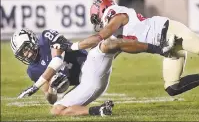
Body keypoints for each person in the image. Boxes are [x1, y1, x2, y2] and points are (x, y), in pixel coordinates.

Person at [55, 0, 199, 97]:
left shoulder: (117, 16)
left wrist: (72, 45)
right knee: (172, 88)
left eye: (97, 18)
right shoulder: (118, 35)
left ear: (102, 13)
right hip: (165, 47)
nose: (98, 23)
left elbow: (100, 36)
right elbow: (102, 57)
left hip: (169, 31)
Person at [13, 28, 173, 116]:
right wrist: (53, 89)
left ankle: (160, 47)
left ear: (32, 41)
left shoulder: (46, 38)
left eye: (26, 49)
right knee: (56, 110)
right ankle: (100, 110)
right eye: (22, 53)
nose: (27, 54)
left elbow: (57, 60)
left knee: (108, 44)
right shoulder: (32, 70)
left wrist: (36, 85)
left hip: (90, 65)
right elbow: (50, 97)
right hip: (85, 85)